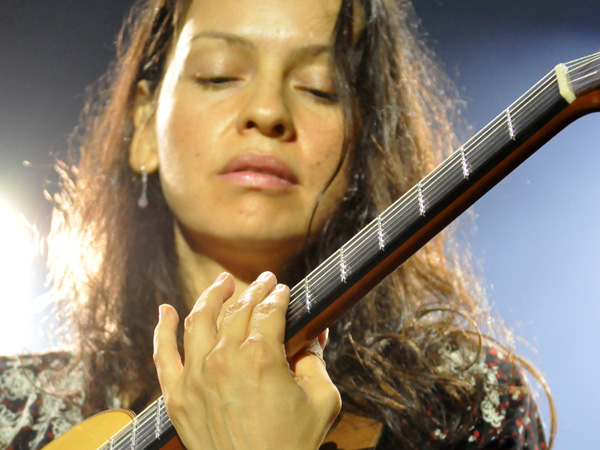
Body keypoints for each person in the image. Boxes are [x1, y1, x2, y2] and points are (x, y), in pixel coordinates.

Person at [0, 0, 552, 448]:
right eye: (218, 76)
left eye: (319, 87)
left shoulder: (465, 404)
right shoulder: (13, 415)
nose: (268, 111)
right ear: (145, 126)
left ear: (365, 146)